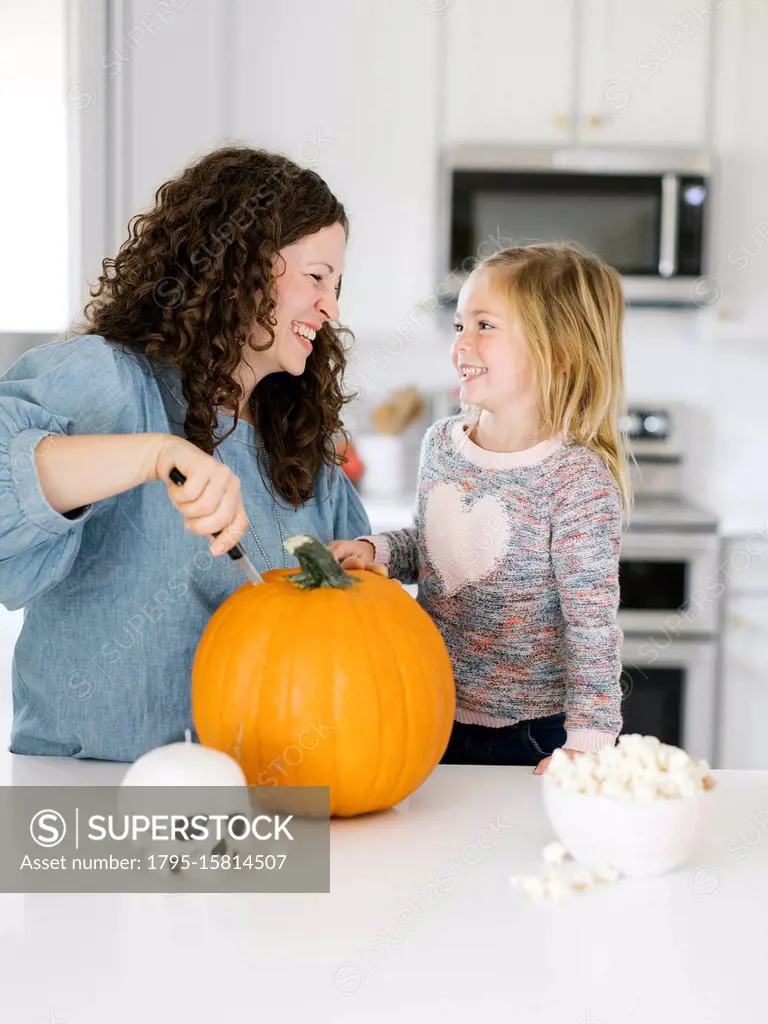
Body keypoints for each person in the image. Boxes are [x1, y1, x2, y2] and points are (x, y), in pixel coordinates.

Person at [0, 145, 375, 761]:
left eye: (336, 285)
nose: (331, 308)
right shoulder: (109, 383)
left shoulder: (303, 449)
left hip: (257, 806)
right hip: (97, 804)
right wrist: (155, 453)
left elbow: (350, 634)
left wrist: (362, 566)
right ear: (242, 265)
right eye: (316, 278)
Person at [330, 243, 631, 773]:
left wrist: (587, 744)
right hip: (429, 709)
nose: (461, 345)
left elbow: (593, 628)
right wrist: (374, 549)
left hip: (536, 736)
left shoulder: (577, 480)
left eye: (485, 326)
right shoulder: (442, 444)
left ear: (559, 351)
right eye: (459, 326)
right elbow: (432, 546)